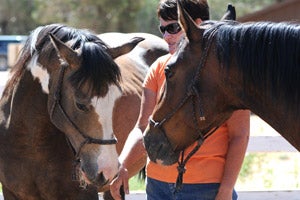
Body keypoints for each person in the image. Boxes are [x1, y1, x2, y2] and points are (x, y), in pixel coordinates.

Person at [110, 0, 250, 199]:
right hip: (158, 186)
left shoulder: (227, 72)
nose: (166, 36)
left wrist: (226, 189)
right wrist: (122, 165)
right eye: (163, 29)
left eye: (173, 27)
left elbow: (239, 136)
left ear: (197, 24)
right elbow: (143, 127)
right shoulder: (158, 68)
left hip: (207, 188)